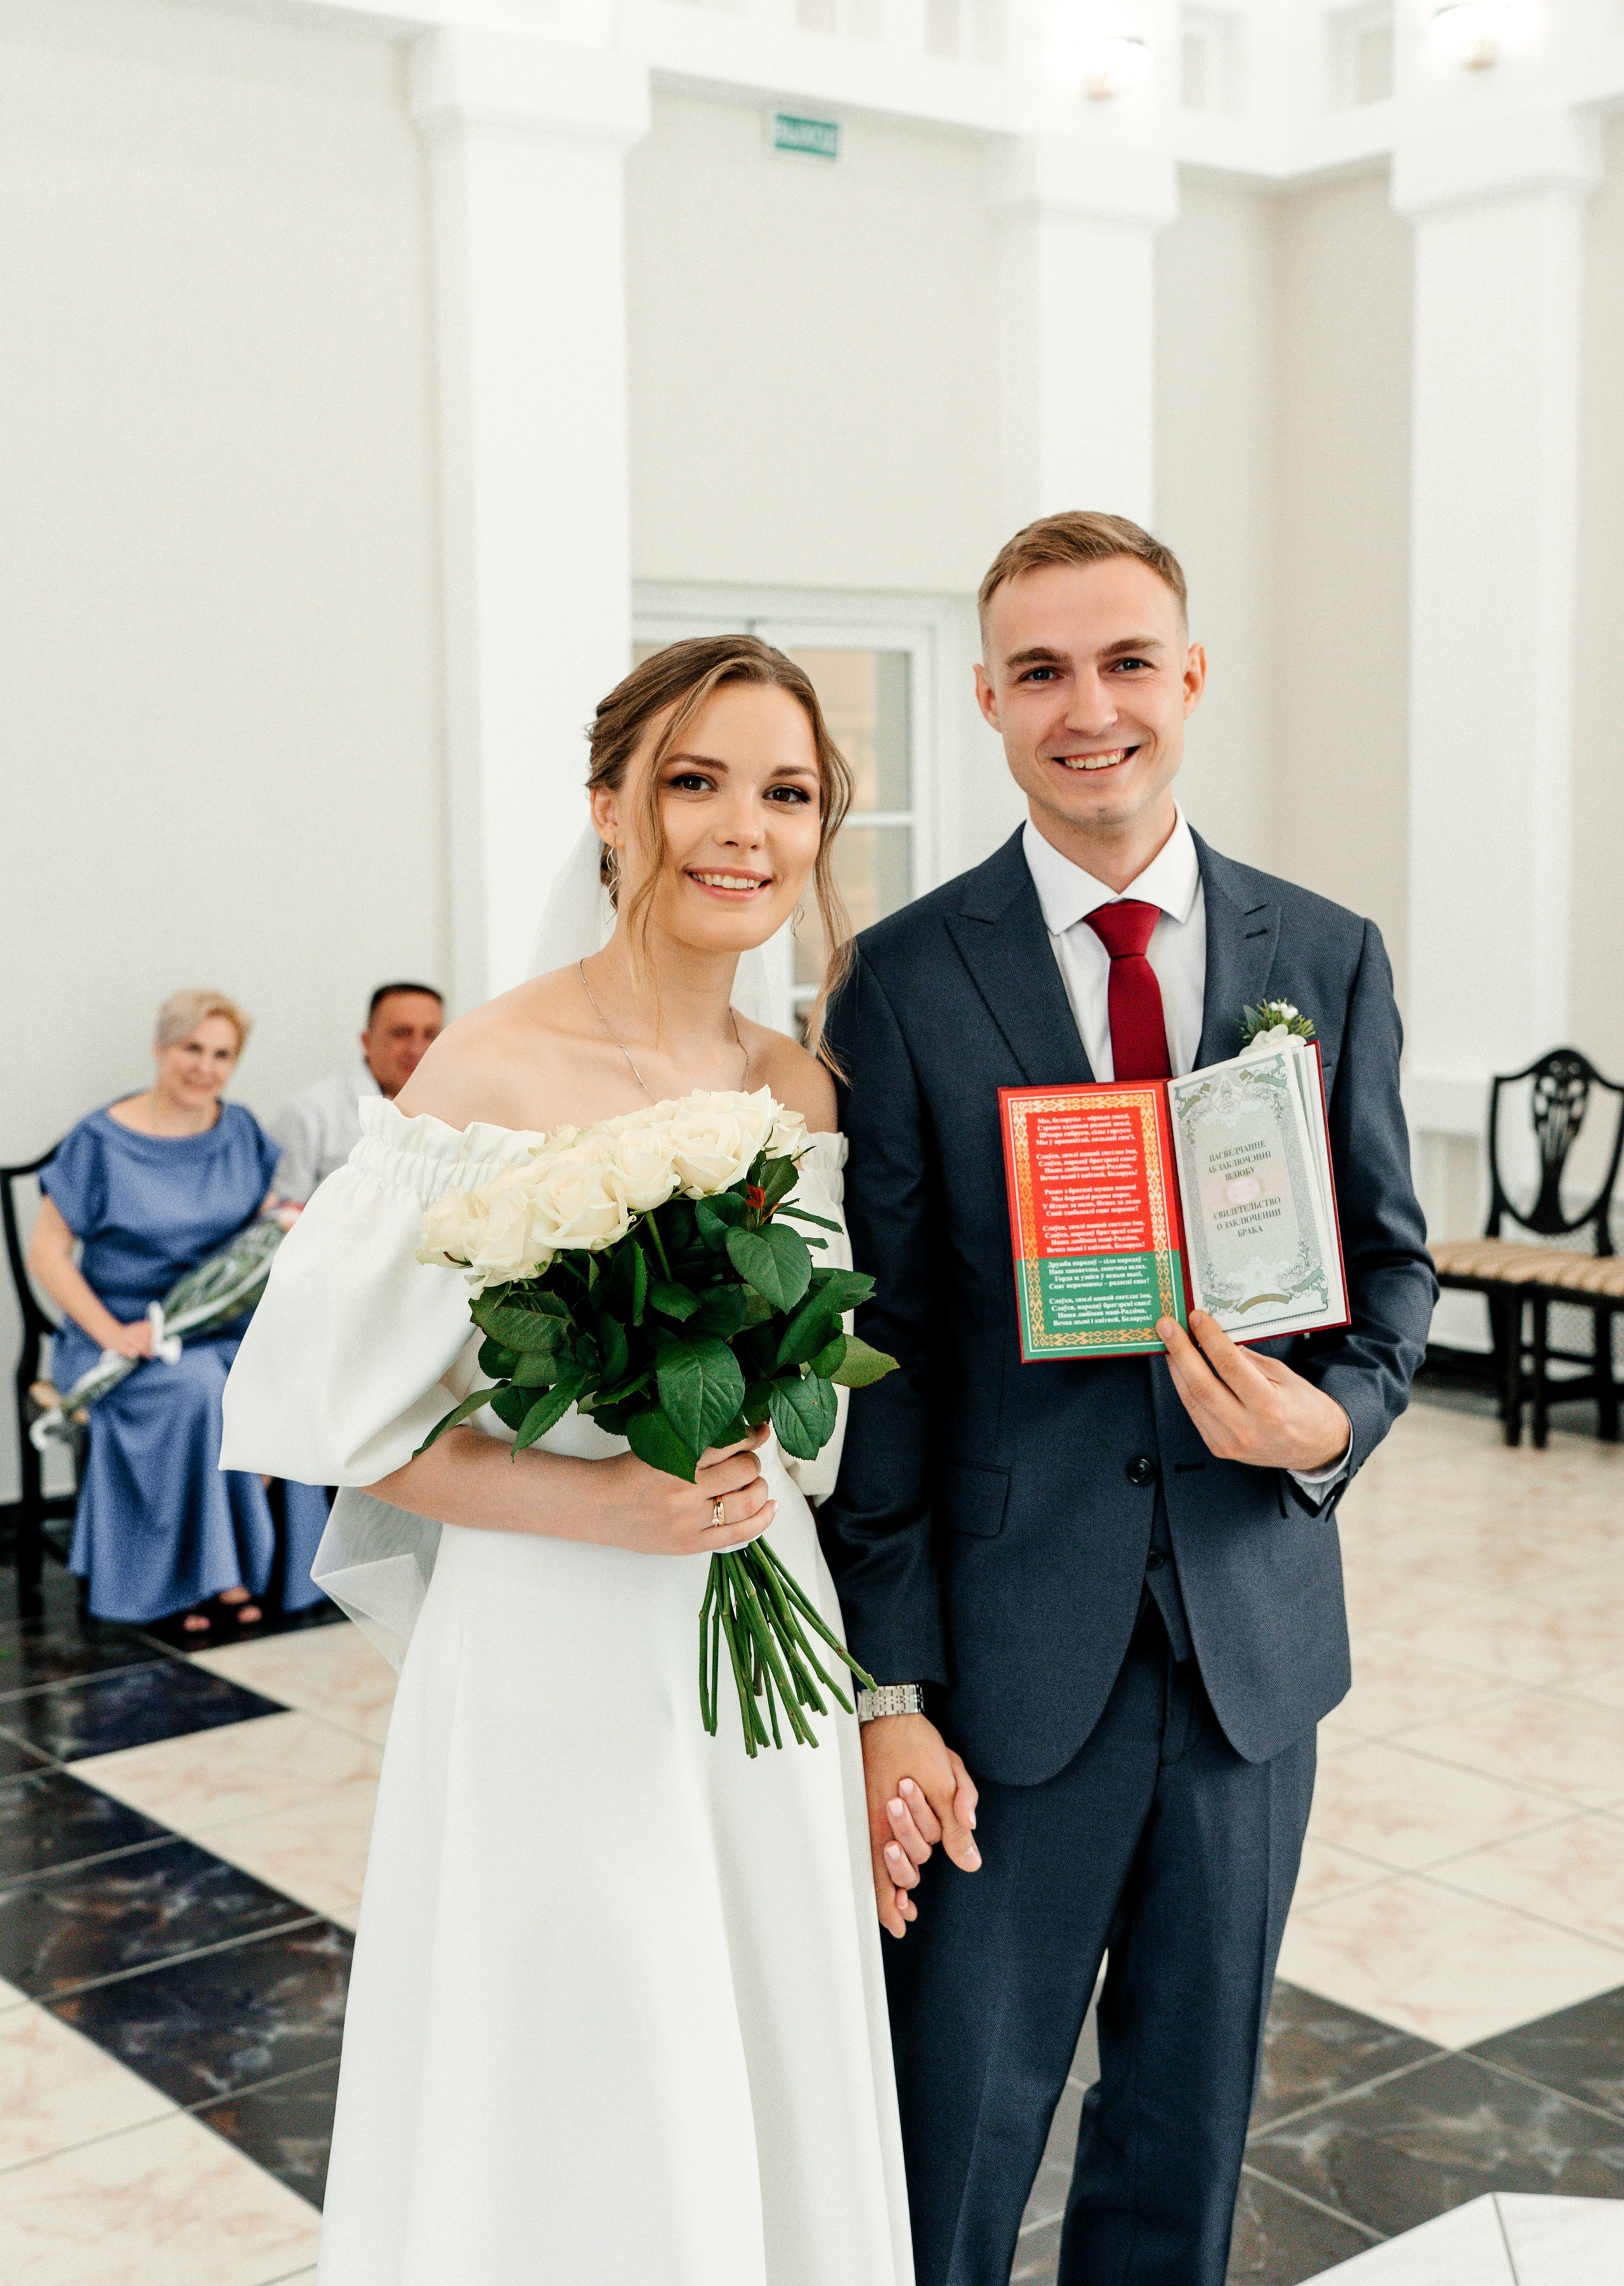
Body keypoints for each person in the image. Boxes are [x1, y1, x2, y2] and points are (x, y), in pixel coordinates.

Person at [221, 641, 913, 2285]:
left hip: (762, 1618)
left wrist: (771, 1442)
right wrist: (602, 1496)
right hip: (557, 1637)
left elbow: (821, 1396)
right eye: (695, 780)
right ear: (607, 804)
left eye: (787, 791)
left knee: (760, 2014)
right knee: (597, 2038)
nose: (742, 828)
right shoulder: (491, 1074)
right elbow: (337, 1414)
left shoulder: (799, 1083)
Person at [822, 512, 1437, 2286]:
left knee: (1189, 2124)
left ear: (1189, 677)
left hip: (1253, 1651)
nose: (1087, 708)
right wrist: (895, 1685)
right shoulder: (911, 977)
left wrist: (1331, 1431)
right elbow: (890, 1360)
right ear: (990, 701)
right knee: (956, 2134)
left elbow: (1394, 1271)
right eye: (1041, 672)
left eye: (1123, 663)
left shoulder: (1321, 954)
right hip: (1014, 1668)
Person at [27, 990, 331, 1635]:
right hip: (125, 1333)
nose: (205, 1067)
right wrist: (112, 1332)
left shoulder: (239, 1129)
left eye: (222, 1054)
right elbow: (48, 1253)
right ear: (161, 1049)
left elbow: (261, 1221)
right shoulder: (100, 1140)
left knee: (280, 1375)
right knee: (198, 1390)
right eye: (192, 1048)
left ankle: (256, 1569)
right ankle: (197, 1578)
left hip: (219, 1323)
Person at [269, 983, 444, 1204]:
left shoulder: (460, 1111)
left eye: (430, 1035)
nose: (417, 1049)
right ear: (367, 1042)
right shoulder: (309, 1113)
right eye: (401, 1033)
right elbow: (282, 1216)